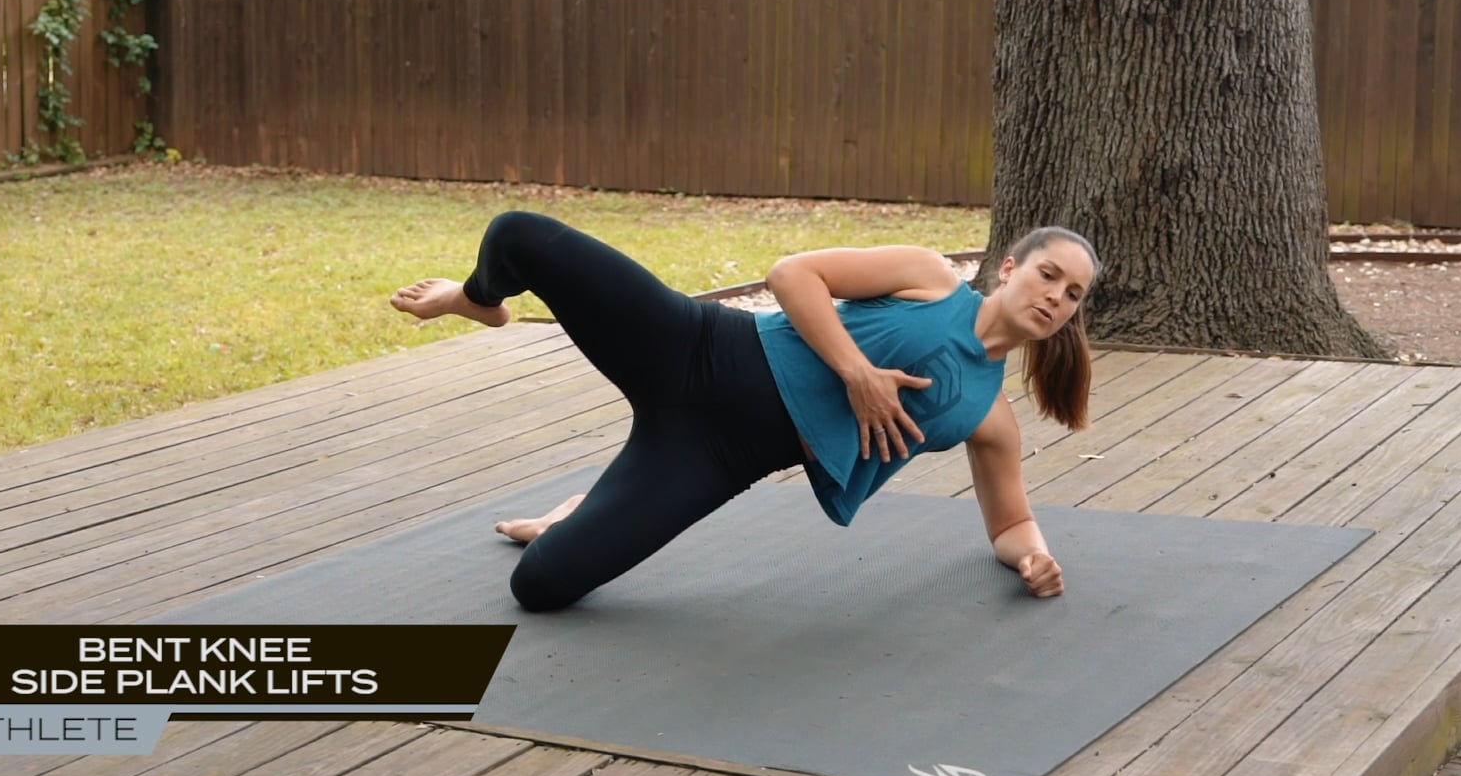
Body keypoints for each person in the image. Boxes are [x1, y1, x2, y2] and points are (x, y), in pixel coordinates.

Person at [390, 210, 1099, 612]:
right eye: (1047, 275)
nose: (1054, 297)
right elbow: (793, 273)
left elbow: (1010, 522)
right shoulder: (929, 277)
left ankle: (580, 508)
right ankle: (478, 300)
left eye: (1071, 294)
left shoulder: (988, 414)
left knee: (539, 586)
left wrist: (1034, 557)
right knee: (517, 235)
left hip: (715, 459)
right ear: (1010, 268)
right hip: (697, 348)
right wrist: (855, 373)